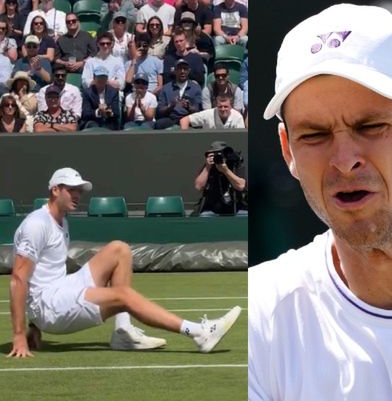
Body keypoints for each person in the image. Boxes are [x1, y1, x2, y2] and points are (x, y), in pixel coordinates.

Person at [249, 4, 392, 400]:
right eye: (313, 135)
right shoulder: (261, 315)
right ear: (288, 151)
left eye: (371, 126)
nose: (344, 160)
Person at [7, 167, 241, 358]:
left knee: (119, 249)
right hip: (50, 307)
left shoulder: (60, 220)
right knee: (123, 296)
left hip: (59, 290)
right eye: (71, 190)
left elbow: (43, 273)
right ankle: (199, 333)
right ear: (55, 190)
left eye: (79, 190)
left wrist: (34, 328)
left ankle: (123, 331)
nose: (77, 195)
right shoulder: (36, 224)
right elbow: (19, 279)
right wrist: (20, 332)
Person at [193, 141, 247, 216]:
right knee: (205, 215)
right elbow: (198, 187)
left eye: (221, 154)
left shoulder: (235, 165)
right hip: (212, 208)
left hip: (236, 206)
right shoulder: (208, 167)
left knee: (244, 215)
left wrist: (226, 171)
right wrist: (207, 168)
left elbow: (241, 186)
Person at [155, 58, 202, 129]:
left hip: (188, 118)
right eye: (179, 69)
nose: (182, 71)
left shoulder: (195, 88)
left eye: (185, 69)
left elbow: (199, 110)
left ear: (188, 71)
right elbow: (160, 111)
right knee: (159, 124)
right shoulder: (166, 88)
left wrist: (188, 107)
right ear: (175, 71)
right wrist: (170, 106)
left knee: (199, 124)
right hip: (171, 118)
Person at [180, 94, 244, 129]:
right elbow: (184, 120)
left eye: (226, 106)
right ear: (216, 106)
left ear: (230, 106)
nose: (223, 109)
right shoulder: (208, 113)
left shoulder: (238, 117)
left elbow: (241, 137)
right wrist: (184, 137)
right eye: (220, 106)